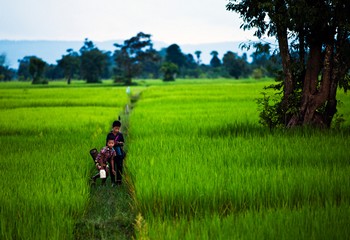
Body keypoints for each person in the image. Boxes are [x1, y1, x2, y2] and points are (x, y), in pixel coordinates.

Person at [106, 120, 125, 186]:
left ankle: (119, 181)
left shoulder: (120, 135)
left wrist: (119, 143)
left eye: (118, 128)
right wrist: (112, 144)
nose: (117, 130)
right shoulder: (109, 135)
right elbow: (106, 144)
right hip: (111, 154)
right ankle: (113, 181)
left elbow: (123, 143)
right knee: (112, 166)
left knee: (120, 166)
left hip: (119, 153)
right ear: (113, 127)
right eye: (116, 128)